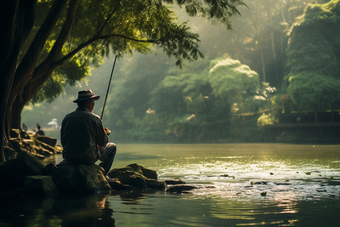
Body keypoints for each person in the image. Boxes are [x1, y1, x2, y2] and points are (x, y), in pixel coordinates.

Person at [60, 89, 116, 176]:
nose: (93, 104)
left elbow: (63, 141)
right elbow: (102, 142)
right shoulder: (95, 119)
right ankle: (101, 172)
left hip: (69, 157)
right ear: (90, 103)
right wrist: (105, 134)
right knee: (112, 147)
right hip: (87, 158)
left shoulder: (67, 118)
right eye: (93, 101)